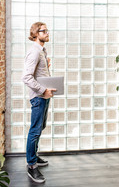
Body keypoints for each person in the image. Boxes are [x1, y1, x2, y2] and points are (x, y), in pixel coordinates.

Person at [22, 22, 56, 183]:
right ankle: (31, 166)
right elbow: (26, 77)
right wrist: (43, 91)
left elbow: (36, 73)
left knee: (40, 127)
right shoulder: (34, 52)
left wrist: (46, 66)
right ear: (36, 34)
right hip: (38, 97)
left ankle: (34, 156)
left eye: (47, 30)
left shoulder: (41, 51)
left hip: (44, 96)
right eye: (44, 31)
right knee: (35, 130)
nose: (47, 33)